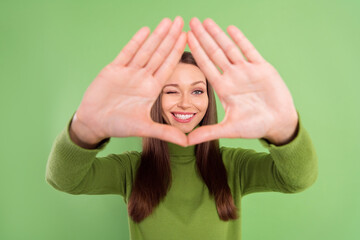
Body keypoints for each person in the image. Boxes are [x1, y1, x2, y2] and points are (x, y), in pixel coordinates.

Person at [45, 16, 318, 240]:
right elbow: (64, 179)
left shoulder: (233, 166)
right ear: (156, 99)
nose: (186, 103)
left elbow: (298, 179)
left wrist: (285, 129)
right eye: (171, 91)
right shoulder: (130, 169)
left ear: (210, 99)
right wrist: (84, 130)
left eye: (197, 92)